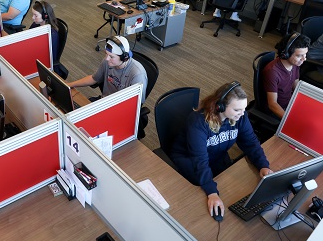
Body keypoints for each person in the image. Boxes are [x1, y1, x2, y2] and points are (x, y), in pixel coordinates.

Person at [170, 82, 272, 217]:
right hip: (190, 160)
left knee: (231, 192)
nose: (242, 114)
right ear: (220, 106)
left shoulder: (240, 117)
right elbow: (199, 160)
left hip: (217, 157)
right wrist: (212, 193)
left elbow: (251, 143)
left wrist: (263, 166)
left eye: (244, 109)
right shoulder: (198, 122)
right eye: (237, 110)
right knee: (205, 200)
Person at [68, 36, 147, 103]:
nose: (106, 58)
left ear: (124, 58)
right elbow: (93, 78)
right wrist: (69, 85)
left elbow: (136, 103)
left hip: (120, 109)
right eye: (106, 54)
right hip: (104, 102)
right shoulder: (108, 62)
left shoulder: (137, 74)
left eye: (111, 56)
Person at [263, 33, 310, 119]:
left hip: (289, 103)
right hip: (278, 111)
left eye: (305, 54)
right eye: (299, 55)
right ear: (286, 54)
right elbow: (272, 104)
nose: (304, 59)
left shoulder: (295, 64)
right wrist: (289, 120)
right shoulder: (273, 72)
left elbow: (296, 86)